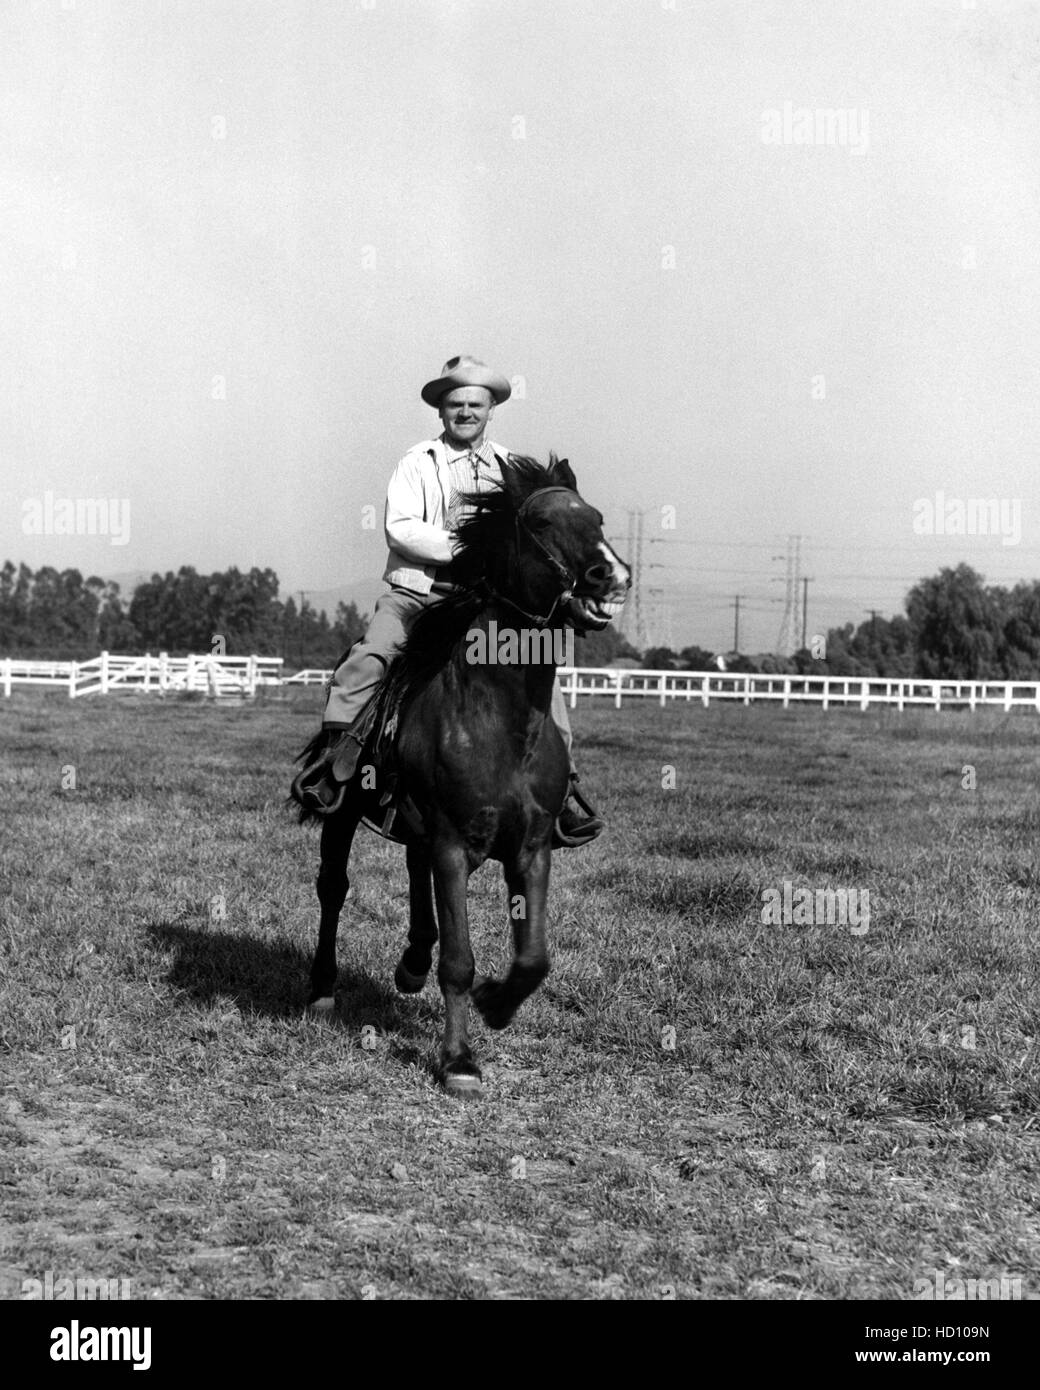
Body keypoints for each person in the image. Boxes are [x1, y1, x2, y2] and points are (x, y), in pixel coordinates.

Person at [292, 355, 603, 846]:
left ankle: (563, 790)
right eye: (455, 404)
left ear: (491, 409)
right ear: (441, 410)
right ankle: (336, 765)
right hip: (417, 596)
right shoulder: (416, 463)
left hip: (487, 608)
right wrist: (469, 548)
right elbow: (401, 528)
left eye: (474, 404)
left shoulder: (515, 471)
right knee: (369, 657)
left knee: (541, 668)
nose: (465, 412)